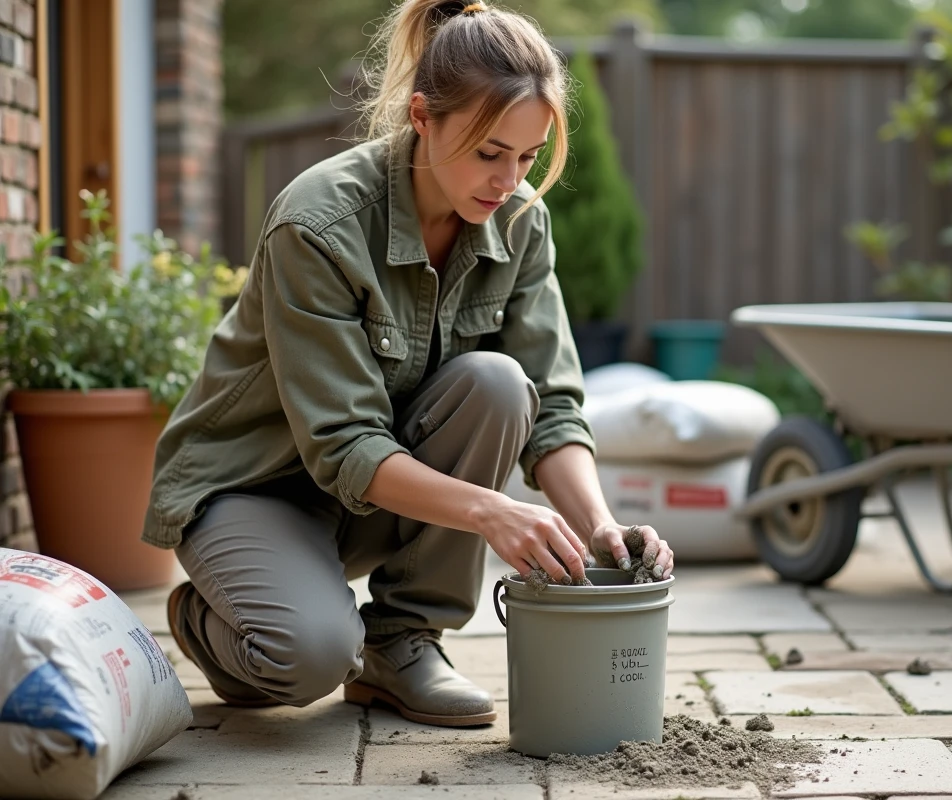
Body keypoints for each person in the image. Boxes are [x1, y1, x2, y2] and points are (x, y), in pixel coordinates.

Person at [141, 0, 674, 727]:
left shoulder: (517, 220)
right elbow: (344, 444)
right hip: (253, 486)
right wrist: (493, 513)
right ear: (423, 117)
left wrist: (601, 526)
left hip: (378, 495)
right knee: (307, 660)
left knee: (498, 383)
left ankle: (402, 642)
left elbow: (549, 404)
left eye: (526, 157)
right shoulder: (318, 223)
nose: (508, 179)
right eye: (490, 154)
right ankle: (211, 618)